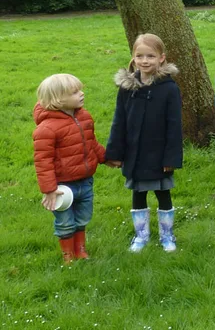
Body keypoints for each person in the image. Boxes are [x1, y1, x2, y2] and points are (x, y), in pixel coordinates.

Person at [106, 34, 183, 253]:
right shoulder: (126, 88)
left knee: (163, 193)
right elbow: (118, 121)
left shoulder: (169, 89)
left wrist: (171, 158)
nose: (145, 60)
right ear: (133, 57)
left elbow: (175, 125)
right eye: (140, 56)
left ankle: (167, 235)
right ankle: (141, 236)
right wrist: (115, 152)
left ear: (161, 58)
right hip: (135, 153)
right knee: (138, 193)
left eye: (151, 55)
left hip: (159, 155)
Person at [33, 74, 109, 263]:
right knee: (65, 222)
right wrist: (49, 190)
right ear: (58, 100)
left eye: (80, 89)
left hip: (85, 180)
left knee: (83, 217)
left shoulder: (84, 116)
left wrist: (107, 158)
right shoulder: (47, 129)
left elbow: (91, 142)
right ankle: (68, 254)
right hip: (62, 187)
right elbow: (43, 161)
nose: (81, 94)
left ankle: (80, 249)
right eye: (75, 92)